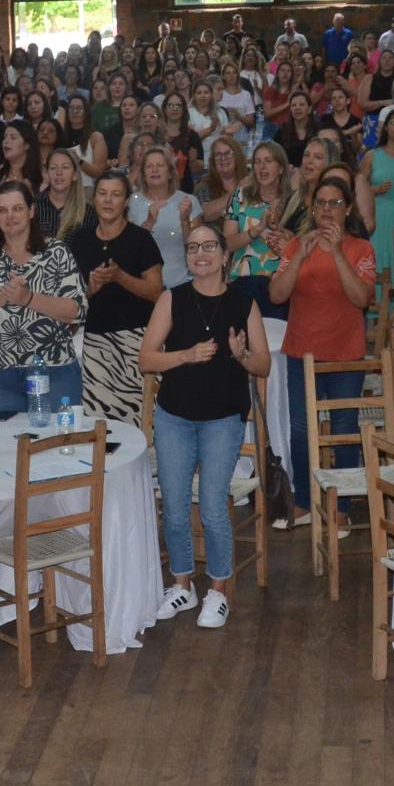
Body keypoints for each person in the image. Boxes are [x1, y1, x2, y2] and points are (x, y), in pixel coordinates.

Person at [141, 220, 271, 631]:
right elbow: (147, 359)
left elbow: (263, 365)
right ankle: (182, 584)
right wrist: (184, 356)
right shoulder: (171, 299)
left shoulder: (244, 305)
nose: (201, 253)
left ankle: (218, 591)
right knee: (175, 507)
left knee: (213, 506)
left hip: (223, 419)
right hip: (175, 415)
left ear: (224, 255)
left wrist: (239, 355)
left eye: (209, 246)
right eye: (194, 247)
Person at [269, 173, 377, 526]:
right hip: (302, 351)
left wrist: (338, 255)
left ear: (347, 209)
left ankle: (341, 507)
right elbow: (277, 295)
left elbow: (362, 298)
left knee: (344, 427)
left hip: (346, 353)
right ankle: (302, 501)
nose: (327, 210)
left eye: (335, 203)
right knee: (301, 429)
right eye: (321, 204)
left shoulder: (362, 248)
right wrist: (300, 255)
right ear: (312, 209)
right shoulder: (296, 246)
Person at [0, 180, 89, 413]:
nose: (10, 216)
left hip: (55, 372)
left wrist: (28, 298)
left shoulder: (56, 251)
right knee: (3, 448)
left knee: (57, 444)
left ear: (31, 211)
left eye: (17, 208)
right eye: (2, 210)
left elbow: (77, 310)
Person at [69, 172, 165, 427]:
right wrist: (92, 288)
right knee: (101, 422)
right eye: (102, 194)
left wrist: (121, 277)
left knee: (143, 418)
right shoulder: (80, 240)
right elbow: (72, 298)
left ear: (126, 202)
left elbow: (157, 292)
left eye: (115, 194)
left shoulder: (140, 239)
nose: (108, 200)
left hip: (138, 340)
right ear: (94, 199)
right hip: (96, 342)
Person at [225, 141, 291, 315]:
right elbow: (227, 243)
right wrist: (258, 228)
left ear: (281, 168)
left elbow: (297, 246)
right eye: (257, 161)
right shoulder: (240, 196)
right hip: (243, 281)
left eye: (268, 161)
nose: (262, 167)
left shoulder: (293, 201)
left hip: (279, 284)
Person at [358, 107, 394, 286]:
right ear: (385, 127)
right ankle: (376, 310)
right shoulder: (371, 156)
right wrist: (374, 190)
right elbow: (358, 187)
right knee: (378, 260)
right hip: (378, 217)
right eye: (393, 123)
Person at [129, 146, 197, 288]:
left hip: (181, 283)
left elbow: (196, 248)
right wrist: (149, 223)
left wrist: (185, 221)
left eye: (160, 165)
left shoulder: (188, 201)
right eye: (149, 166)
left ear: (171, 173)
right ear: (143, 174)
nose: (154, 170)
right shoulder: (130, 202)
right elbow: (128, 249)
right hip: (142, 285)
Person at [36, 148, 89, 242]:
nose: (59, 172)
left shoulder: (87, 211)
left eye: (65, 167)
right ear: (47, 174)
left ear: (75, 175)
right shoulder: (34, 206)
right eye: (53, 168)